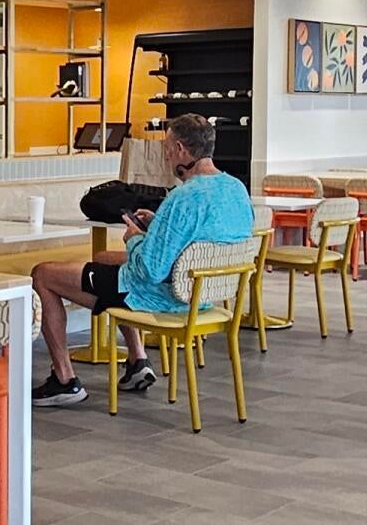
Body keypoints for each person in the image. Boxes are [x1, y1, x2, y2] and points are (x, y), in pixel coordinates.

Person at [28, 114, 253, 407]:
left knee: (43, 274)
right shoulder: (236, 189)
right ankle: (137, 361)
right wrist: (158, 225)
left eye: (167, 148)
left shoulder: (183, 197)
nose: (166, 155)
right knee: (105, 262)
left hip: (160, 295)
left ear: (181, 149)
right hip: (201, 296)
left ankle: (64, 379)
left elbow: (150, 269)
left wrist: (134, 237)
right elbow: (202, 239)